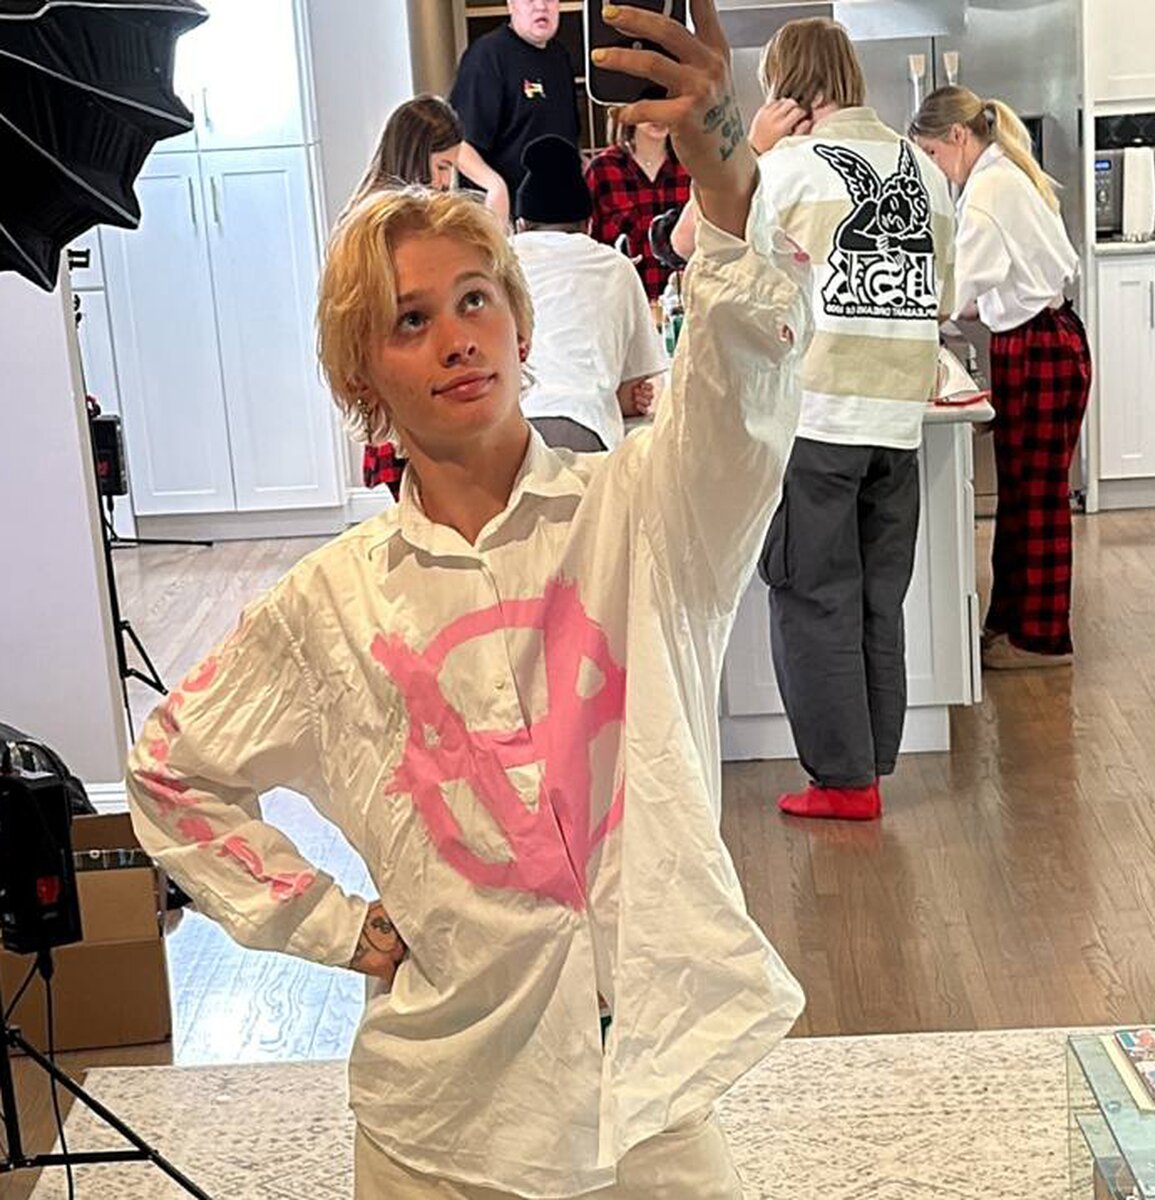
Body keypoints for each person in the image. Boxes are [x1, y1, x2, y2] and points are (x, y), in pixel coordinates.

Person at [125, 2, 812, 1196]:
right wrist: (333, 924)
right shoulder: (331, 608)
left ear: (520, 320)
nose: (457, 337)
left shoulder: (646, 517)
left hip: (646, 1102)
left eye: (477, 299)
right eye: (412, 319)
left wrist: (725, 170)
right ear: (364, 374)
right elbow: (171, 773)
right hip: (441, 1129)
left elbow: (743, 378)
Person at [750, 17, 955, 822]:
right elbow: (943, 296)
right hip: (898, 421)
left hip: (820, 415)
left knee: (812, 593)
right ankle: (869, 764)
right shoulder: (925, 169)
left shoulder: (790, 167)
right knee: (875, 596)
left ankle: (842, 782)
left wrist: (756, 153)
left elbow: (710, 251)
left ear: (787, 85)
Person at [910, 86, 1091, 670]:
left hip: (1038, 346)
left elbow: (955, 290)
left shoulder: (988, 190)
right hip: (1046, 338)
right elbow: (978, 290)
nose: (936, 167)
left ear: (957, 136)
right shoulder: (1006, 172)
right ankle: (1010, 622)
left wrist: (906, 313)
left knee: (1036, 499)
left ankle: (1042, 641)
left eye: (933, 154)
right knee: (1022, 493)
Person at [355, 95, 509, 502]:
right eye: (442, 167)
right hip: (404, 404)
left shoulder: (377, 216)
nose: (444, 182)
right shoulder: (381, 230)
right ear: (415, 156)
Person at [513, 134, 665, 452]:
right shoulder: (616, 266)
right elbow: (635, 390)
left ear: (521, 225)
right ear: (589, 225)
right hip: (585, 428)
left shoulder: (499, 262)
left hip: (505, 428)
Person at [450, 0, 580, 215]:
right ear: (511, 4)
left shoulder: (560, 56)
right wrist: (495, 187)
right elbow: (459, 146)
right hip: (505, 216)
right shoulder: (488, 55)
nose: (541, 6)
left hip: (557, 216)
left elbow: (565, 137)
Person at [586, 116, 693, 301]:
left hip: (687, 301)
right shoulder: (603, 171)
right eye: (648, 104)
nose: (658, 115)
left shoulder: (692, 166)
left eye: (665, 104)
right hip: (622, 301)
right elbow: (587, 247)